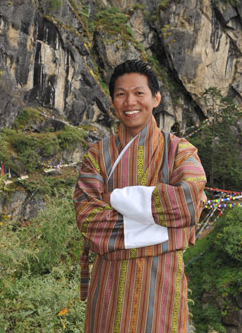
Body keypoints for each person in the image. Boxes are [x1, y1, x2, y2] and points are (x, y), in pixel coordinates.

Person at [73, 59, 206, 333]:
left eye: (139, 93)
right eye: (121, 94)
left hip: (163, 291)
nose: (129, 101)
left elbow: (190, 204)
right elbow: (88, 220)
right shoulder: (98, 156)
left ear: (155, 98)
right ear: (113, 102)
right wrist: (169, 234)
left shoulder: (180, 151)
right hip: (109, 291)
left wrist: (115, 200)